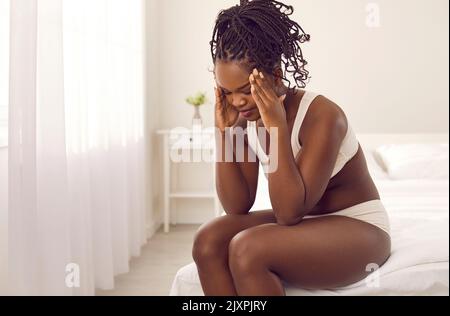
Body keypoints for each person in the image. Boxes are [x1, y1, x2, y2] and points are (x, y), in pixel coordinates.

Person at [192, 0, 391, 296]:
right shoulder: (245, 117)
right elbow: (236, 206)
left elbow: (288, 214)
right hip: (305, 225)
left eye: (246, 90)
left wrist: (276, 128)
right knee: (208, 240)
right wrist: (225, 133)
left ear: (274, 75)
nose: (237, 102)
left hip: (356, 226)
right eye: (227, 92)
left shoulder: (323, 116)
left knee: (248, 249)